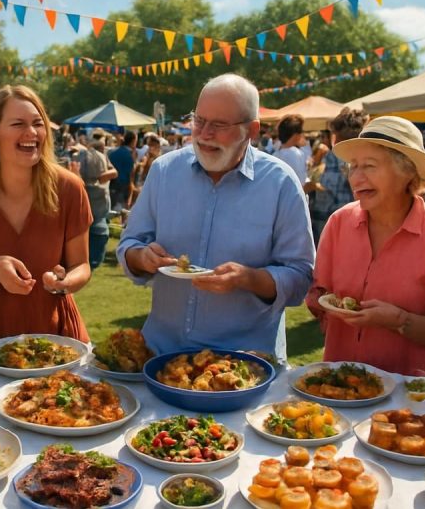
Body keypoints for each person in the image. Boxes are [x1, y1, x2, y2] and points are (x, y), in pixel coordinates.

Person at [117, 74, 315, 359]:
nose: (204, 133)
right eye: (199, 120)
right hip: (161, 355)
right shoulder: (164, 171)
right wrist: (141, 258)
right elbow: (129, 244)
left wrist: (248, 278)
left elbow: (300, 277)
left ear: (252, 130)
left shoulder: (280, 183)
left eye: (219, 125)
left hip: (243, 364)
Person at [306, 116, 425, 381]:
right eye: (353, 167)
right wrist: (320, 302)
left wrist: (399, 320)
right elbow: (319, 295)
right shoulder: (339, 222)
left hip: (414, 396)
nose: (356, 177)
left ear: (407, 172)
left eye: (369, 166)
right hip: (343, 387)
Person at [0, 85, 93, 341]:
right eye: (18, 124)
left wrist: (65, 282)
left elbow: (82, 265)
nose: (31, 132)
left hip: (54, 340)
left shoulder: (70, 188)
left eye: (37, 123)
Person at [309, 109, 367, 242]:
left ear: (337, 135)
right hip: (356, 224)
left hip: (332, 224)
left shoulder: (336, 156)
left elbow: (329, 188)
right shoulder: (366, 157)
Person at [75, 129, 118, 270]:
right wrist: (102, 176)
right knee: (97, 235)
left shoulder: (80, 156)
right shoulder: (98, 157)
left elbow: (112, 172)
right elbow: (111, 173)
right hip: (97, 209)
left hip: (85, 210)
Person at [276, 114, 310, 192]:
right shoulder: (296, 154)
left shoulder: (276, 153)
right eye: (301, 131)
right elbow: (301, 182)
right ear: (295, 135)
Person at [108, 130, 136, 211]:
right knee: (121, 213)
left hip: (111, 185)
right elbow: (131, 176)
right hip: (123, 188)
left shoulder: (112, 152)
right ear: (133, 141)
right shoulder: (129, 155)